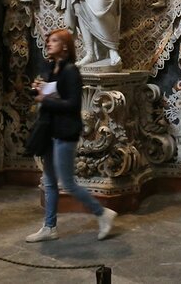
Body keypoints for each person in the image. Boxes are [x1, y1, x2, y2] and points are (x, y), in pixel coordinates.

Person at [25, 28, 117, 243]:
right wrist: (40, 89)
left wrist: (44, 99)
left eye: (54, 40)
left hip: (64, 133)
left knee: (67, 182)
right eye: (48, 40)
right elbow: (53, 94)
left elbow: (72, 104)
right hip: (49, 130)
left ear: (65, 46)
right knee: (48, 181)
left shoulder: (71, 71)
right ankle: (49, 227)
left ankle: (103, 213)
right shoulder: (51, 69)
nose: (48, 43)